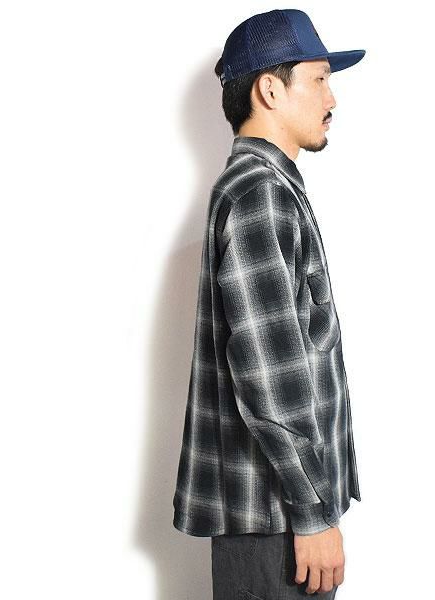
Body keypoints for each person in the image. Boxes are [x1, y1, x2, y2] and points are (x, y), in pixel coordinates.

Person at [172, 9, 365, 599]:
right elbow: (269, 373)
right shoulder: (260, 193)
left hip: (273, 516)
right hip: (275, 522)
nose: (332, 97)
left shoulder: (266, 186)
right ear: (270, 90)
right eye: (319, 79)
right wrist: (314, 513)